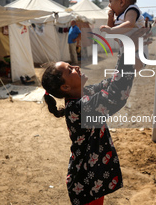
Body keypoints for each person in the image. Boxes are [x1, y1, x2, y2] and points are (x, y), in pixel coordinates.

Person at [41, 28, 145, 205]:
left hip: (90, 177)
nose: (76, 67)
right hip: (86, 182)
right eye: (70, 70)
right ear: (65, 87)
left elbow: (113, 82)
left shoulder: (85, 94)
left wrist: (128, 48)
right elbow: (115, 94)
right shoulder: (80, 107)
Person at [100, 0, 150, 69]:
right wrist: (110, 18)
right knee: (121, 73)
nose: (109, 5)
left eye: (110, 1)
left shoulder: (131, 10)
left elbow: (129, 24)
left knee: (123, 74)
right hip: (127, 51)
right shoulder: (120, 17)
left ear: (121, 2)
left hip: (138, 54)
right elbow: (112, 32)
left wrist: (111, 30)